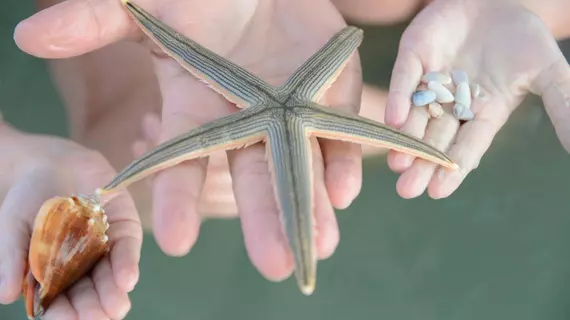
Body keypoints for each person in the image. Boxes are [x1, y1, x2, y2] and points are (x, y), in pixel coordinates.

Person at [1, 0, 569, 318]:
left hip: (353, 56)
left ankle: (377, 128)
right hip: (224, 58)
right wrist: (19, 158)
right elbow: (117, 136)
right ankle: (373, 128)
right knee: (131, 141)